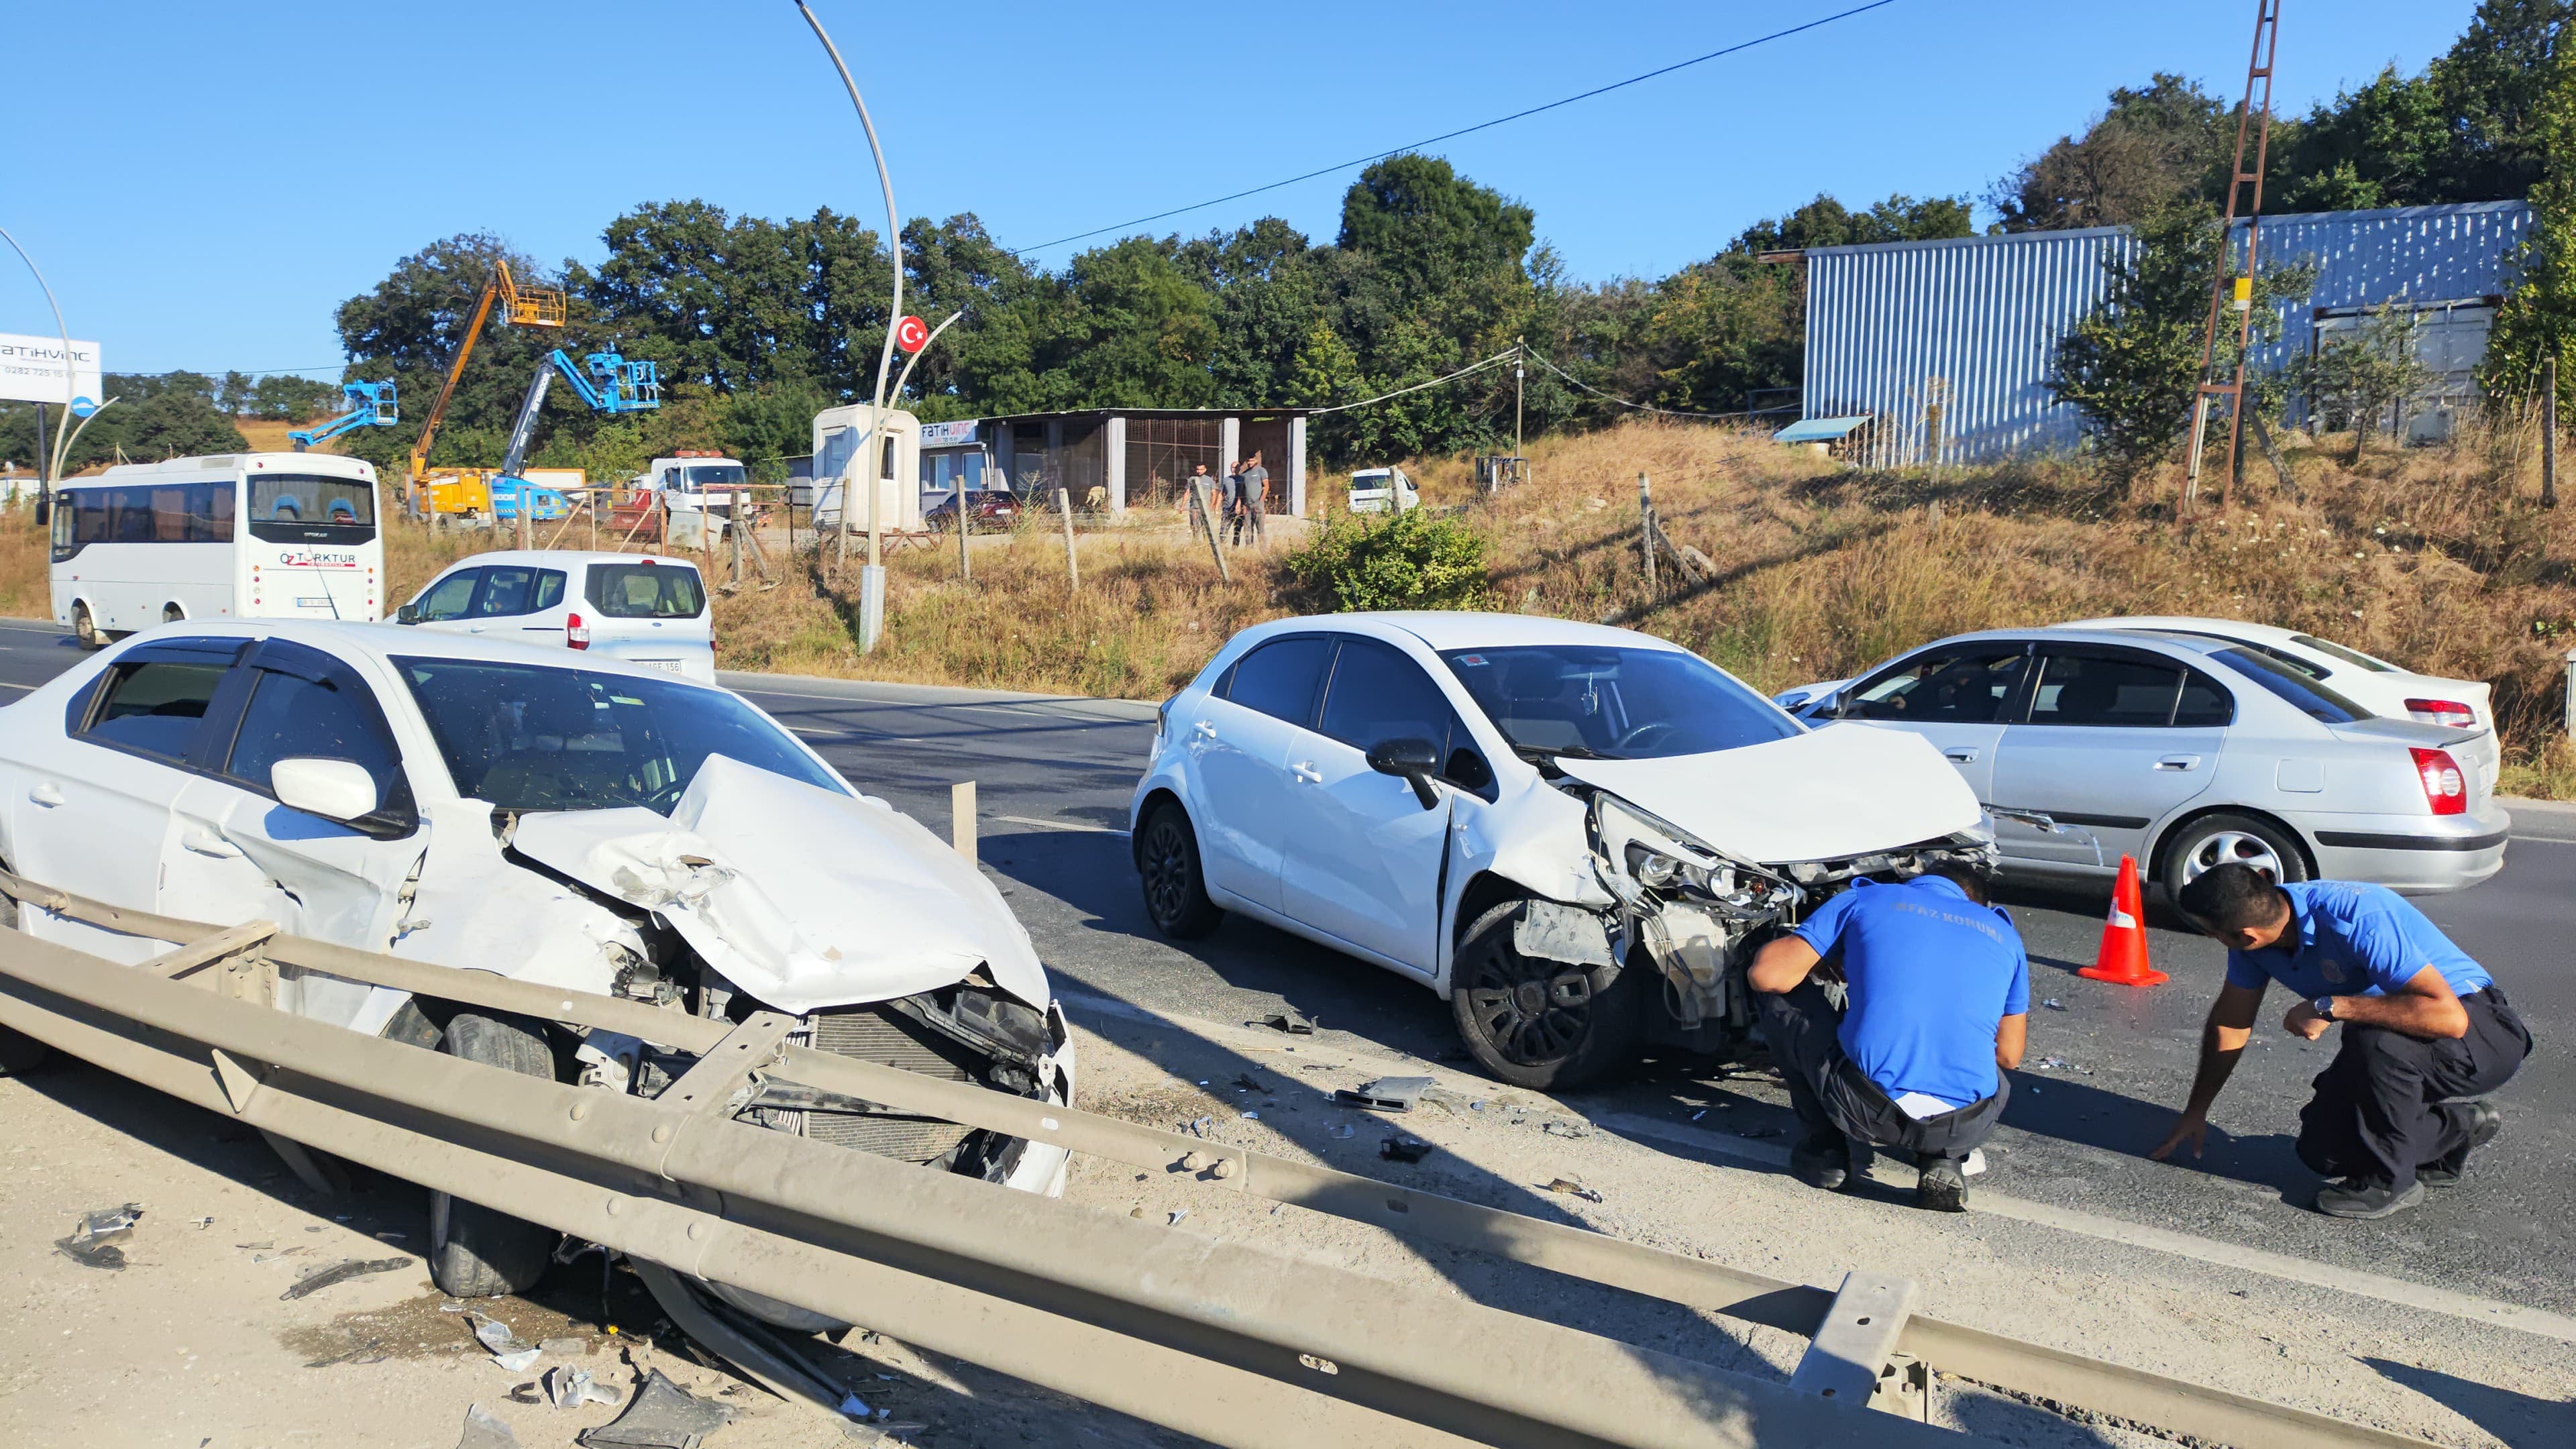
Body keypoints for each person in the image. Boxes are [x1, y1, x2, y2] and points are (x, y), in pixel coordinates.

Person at [2154, 865, 2529, 1220]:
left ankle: (2391, 1183)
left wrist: (2331, 1006)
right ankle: (2458, 1129)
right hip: (2401, 1043)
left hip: (2481, 1033)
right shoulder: (2254, 945)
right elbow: (2231, 1023)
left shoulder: (2357, 918)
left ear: (2246, 935)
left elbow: (2448, 1018)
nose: (2213, 940)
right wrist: (2196, 1111)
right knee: (2323, 1152)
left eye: (2212, 933)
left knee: (2375, 1042)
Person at [1746, 865, 2028, 1212]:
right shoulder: (2005, 934)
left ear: (1915, 884)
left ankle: (1825, 1150)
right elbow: (2009, 1055)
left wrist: (1825, 954)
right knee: (1986, 1063)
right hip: (1965, 1123)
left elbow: (1767, 975)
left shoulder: (1868, 898)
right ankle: (1943, 1159)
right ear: (1978, 905)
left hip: (1861, 1105)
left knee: (1780, 996)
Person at [1233, 450, 1269, 545]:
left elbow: (1266, 487)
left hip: (1257, 504)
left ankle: (1264, 552)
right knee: (1248, 529)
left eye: (1252, 461)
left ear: (1256, 460)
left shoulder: (1261, 471)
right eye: (1248, 461)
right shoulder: (1244, 474)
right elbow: (1242, 491)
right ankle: (1249, 549)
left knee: (1260, 530)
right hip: (1247, 506)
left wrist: (1261, 501)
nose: (1250, 463)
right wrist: (1242, 504)